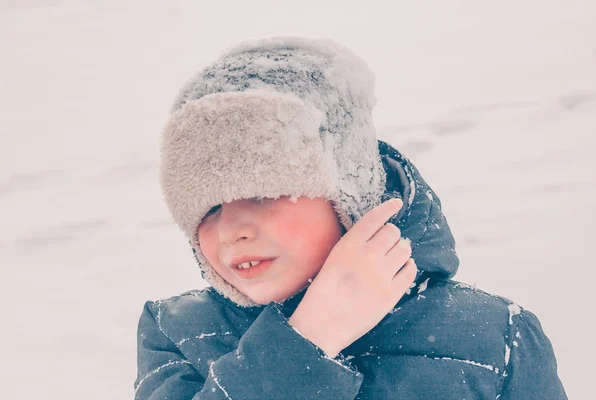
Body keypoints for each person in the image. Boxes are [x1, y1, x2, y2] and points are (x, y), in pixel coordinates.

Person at [135, 36, 567, 399]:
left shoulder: (496, 334)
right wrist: (305, 341)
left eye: (261, 192)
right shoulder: (179, 331)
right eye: (208, 208)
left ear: (348, 189)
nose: (231, 231)